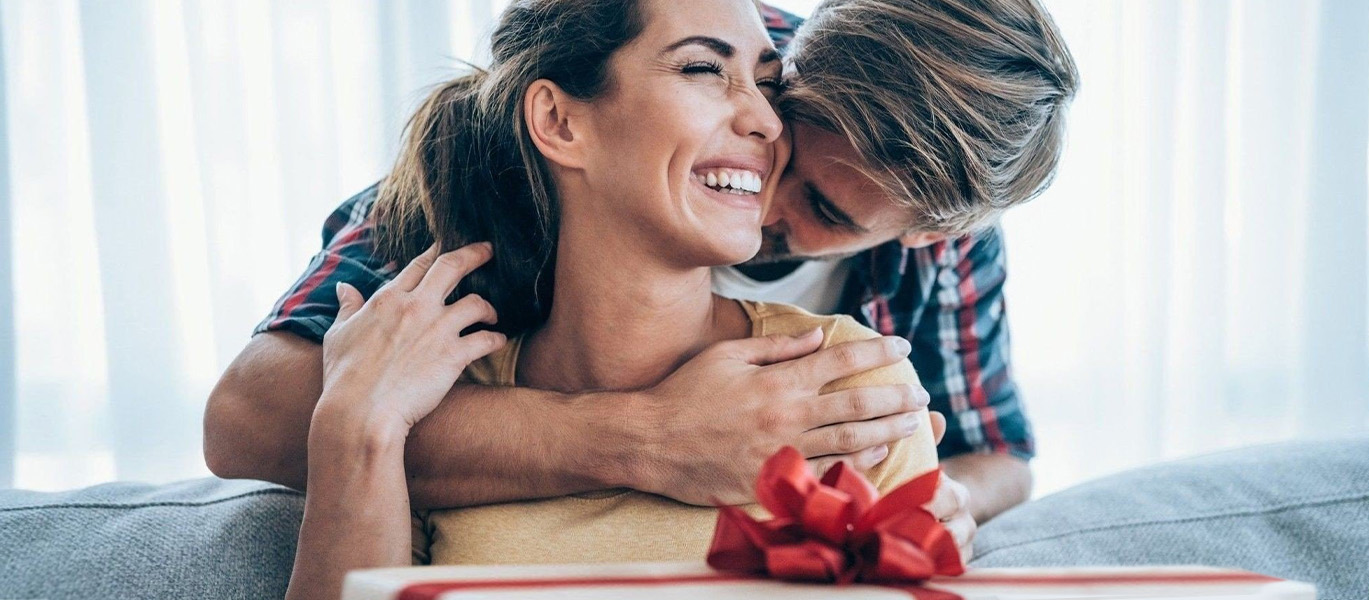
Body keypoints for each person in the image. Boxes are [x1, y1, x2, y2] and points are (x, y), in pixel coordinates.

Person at [205, 0, 1076, 551]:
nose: (765, 189)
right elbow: (253, 416)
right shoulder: (651, 82)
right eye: (784, 116)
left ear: (928, 235)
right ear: (799, 57)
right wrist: (650, 438)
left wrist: (931, 501)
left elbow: (1000, 450)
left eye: (827, 213)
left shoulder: (936, 230)